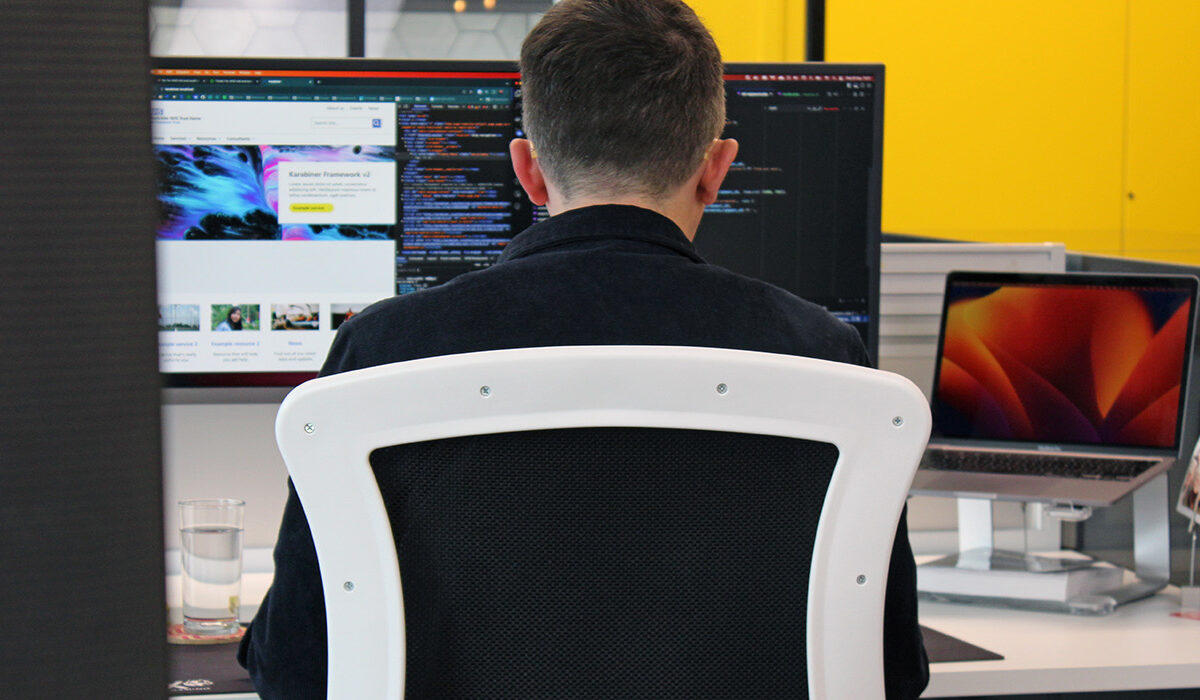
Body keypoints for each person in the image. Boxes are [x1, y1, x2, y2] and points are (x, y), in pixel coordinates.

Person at [238, 0, 929, 697]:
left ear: (529, 171)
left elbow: (294, 667)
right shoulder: (823, 360)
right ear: (715, 171)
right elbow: (891, 670)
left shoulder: (381, 353)